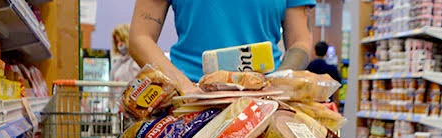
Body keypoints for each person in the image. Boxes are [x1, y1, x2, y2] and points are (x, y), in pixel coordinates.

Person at [128, 0, 316, 95]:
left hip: (264, 103)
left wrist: (277, 83)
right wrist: (184, 87)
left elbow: (300, 41)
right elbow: (140, 38)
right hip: (189, 103)